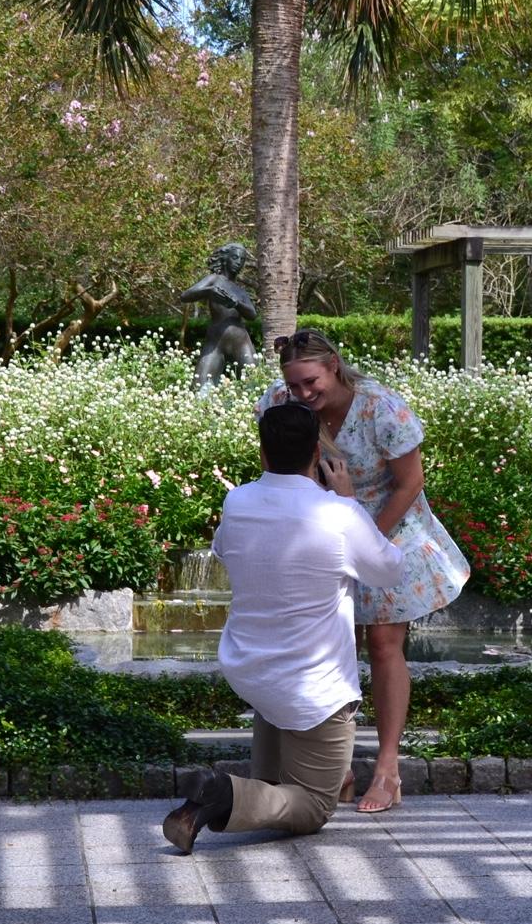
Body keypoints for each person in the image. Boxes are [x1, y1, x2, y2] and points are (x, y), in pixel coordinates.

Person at [161, 402, 404, 854]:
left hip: (252, 671)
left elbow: (222, 550)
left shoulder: (237, 501)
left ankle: (214, 801)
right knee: (312, 807)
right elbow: (389, 570)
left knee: (273, 787)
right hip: (314, 688)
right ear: (317, 453)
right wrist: (349, 500)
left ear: (263, 452)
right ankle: (221, 791)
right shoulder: (339, 514)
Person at [257, 329, 470, 813]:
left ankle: (388, 770)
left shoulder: (381, 408)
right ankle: (338, 768)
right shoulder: (279, 403)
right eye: (294, 385)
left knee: (383, 643)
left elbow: (410, 482)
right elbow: (274, 465)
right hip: (321, 527)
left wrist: (365, 537)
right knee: (333, 644)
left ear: (333, 365)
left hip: (389, 524)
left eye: (311, 382)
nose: (302, 394)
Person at [179, 242, 258, 389]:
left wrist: (236, 304)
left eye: (242, 259)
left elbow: (252, 315)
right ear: (225, 258)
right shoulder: (214, 279)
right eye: (235, 257)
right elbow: (185, 296)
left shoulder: (240, 290)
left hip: (240, 340)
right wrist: (209, 290)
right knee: (199, 387)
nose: (238, 262)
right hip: (215, 341)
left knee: (253, 383)